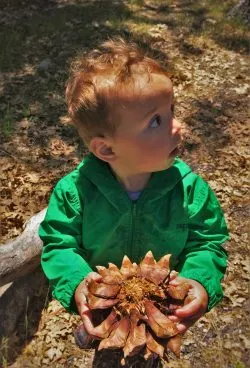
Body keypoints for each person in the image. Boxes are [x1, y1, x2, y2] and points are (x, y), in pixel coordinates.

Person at [39, 38, 229, 342]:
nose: (178, 126)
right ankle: (97, 330)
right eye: (156, 121)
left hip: (163, 307)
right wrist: (78, 284)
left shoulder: (189, 189)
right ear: (106, 149)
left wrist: (199, 281)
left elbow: (207, 242)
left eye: (172, 111)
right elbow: (59, 244)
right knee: (102, 336)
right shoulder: (74, 192)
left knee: (150, 348)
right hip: (104, 298)